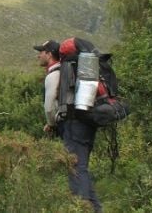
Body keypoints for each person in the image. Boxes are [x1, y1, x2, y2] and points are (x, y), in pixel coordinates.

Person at [36, 38, 102, 212]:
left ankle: (81, 208)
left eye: (40, 52)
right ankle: (95, 209)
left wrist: (50, 123)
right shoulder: (69, 70)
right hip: (86, 122)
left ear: (49, 54)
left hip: (73, 126)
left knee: (75, 169)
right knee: (81, 168)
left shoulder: (53, 74)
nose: (38, 56)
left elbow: (49, 107)